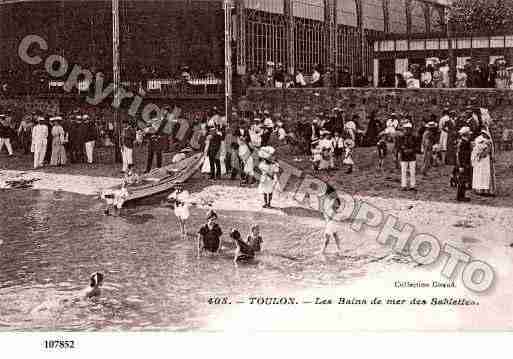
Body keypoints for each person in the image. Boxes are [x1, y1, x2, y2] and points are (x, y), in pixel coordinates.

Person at [471, 130, 496, 197]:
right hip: (479, 159)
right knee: (479, 173)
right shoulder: (478, 140)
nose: (483, 135)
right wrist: (478, 153)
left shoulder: (488, 142)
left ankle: (486, 189)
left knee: (485, 174)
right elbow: (475, 148)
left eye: (485, 134)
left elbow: (489, 150)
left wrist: (485, 152)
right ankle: (479, 189)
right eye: (482, 134)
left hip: (486, 159)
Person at [397, 122, 418, 191]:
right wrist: (404, 150)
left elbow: (416, 147)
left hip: (412, 156)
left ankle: (412, 185)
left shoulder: (414, 137)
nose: (407, 130)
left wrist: (411, 150)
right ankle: (404, 185)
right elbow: (399, 146)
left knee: (412, 172)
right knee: (403, 172)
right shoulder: (401, 137)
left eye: (409, 129)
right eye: (406, 129)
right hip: (404, 156)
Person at [455, 127, 472, 202]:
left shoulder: (464, 142)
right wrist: (461, 165)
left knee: (464, 180)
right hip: (463, 164)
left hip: (465, 163)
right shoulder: (463, 143)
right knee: (462, 180)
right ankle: (460, 196)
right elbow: (460, 155)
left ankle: (462, 195)